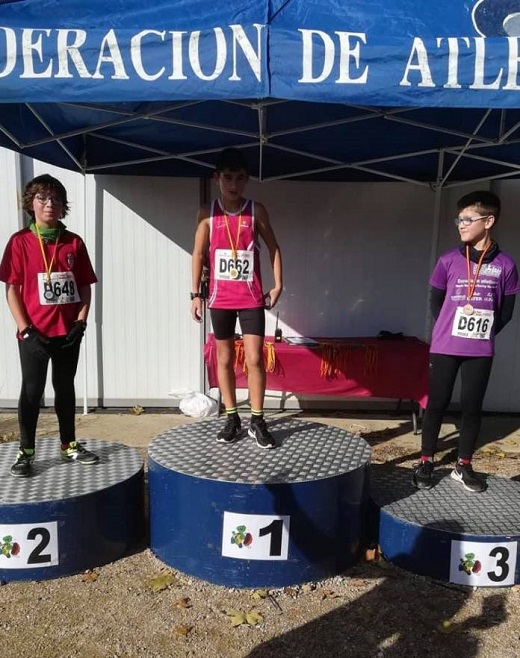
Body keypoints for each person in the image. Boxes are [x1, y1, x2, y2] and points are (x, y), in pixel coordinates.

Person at [413, 190, 520, 493]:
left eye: (467, 219)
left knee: (472, 408)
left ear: (489, 221)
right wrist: (449, 329)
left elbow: (507, 311)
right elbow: (436, 302)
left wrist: (481, 333)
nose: (460, 224)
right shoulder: (448, 260)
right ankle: (426, 460)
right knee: (436, 404)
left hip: (480, 350)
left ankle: (464, 464)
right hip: (445, 346)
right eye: (458, 219)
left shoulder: (506, 266)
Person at [0, 174, 99, 478]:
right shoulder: (20, 242)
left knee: (65, 388)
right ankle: (26, 451)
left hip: (67, 332)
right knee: (32, 391)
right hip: (34, 333)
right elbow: (12, 289)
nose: (49, 204)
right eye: (42, 198)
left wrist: (81, 323)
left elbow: (85, 285)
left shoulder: (73, 242)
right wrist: (26, 330)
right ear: (31, 203)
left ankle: (69, 444)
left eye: (56, 199)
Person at [191, 148, 283, 448]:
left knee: (255, 359)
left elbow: (274, 247)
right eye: (227, 177)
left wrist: (278, 284)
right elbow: (199, 253)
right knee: (225, 358)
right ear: (217, 178)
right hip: (220, 299)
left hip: (251, 298)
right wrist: (195, 294)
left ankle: (257, 419)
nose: (233, 184)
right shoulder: (208, 212)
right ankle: (232, 417)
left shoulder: (257, 210)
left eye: (240, 179)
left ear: (246, 181)